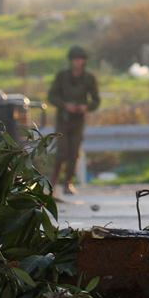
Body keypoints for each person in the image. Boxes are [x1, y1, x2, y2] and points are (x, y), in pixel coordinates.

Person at [48, 45, 100, 194]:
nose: (78, 62)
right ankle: (53, 183)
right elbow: (52, 96)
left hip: (78, 119)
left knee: (74, 153)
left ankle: (68, 183)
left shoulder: (89, 78)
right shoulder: (62, 76)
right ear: (71, 61)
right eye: (75, 60)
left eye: (80, 60)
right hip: (63, 119)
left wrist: (86, 107)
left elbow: (96, 100)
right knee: (62, 152)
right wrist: (65, 105)